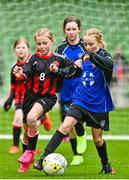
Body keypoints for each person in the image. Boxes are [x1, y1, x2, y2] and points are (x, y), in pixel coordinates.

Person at [34, 28, 115, 174]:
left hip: (98, 105)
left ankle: (106, 164)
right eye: (87, 45)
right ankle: (42, 159)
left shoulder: (105, 56)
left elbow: (109, 66)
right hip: (80, 100)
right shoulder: (84, 58)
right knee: (65, 126)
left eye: (91, 44)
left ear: (100, 43)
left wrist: (91, 55)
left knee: (97, 139)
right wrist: (58, 71)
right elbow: (72, 73)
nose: (88, 47)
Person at [12, 28, 82, 173]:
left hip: (47, 97)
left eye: (44, 43)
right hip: (30, 97)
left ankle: (31, 152)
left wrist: (76, 65)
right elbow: (24, 75)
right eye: (39, 43)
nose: (42, 46)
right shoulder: (33, 58)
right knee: (26, 133)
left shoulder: (59, 59)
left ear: (51, 41)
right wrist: (19, 75)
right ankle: (25, 164)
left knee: (31, 118)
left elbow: (73, 70)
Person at [3, 38, 52, 154]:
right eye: (18, 47)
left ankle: (42, 119)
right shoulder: (14, 67)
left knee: (26, 121)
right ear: (14, 49)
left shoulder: (34, 62)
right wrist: (10, 99)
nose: (20, 50)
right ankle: (16, 146)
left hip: (33, 97)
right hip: (21, 98)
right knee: (20, 120)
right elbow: (13, 85)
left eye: (23, 47)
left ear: (28, 49)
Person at [55, 16, 87, 165]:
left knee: (76, 120)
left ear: (79, 29)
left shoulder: (85, 47)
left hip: (82, 90)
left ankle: (82, 136)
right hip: (65, 91)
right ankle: (77, 155)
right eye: (68, 29)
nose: (71, 32)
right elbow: (57, 68)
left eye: (74, 29)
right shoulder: (61, 49)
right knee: (69, 124)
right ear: (64, 31)